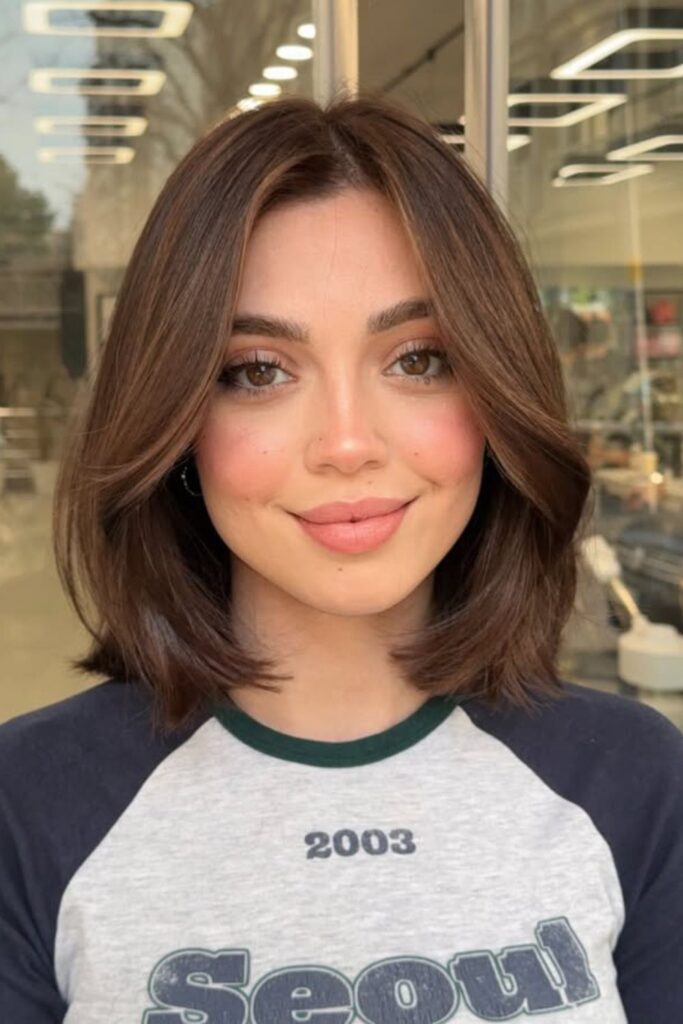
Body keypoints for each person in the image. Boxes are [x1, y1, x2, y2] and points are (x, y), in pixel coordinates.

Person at [0, 93, 681, 1024]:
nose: (348, 443)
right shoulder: (29, 803)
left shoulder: (635, 780)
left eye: (418, 359)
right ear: (178, 423)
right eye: (258, 371)